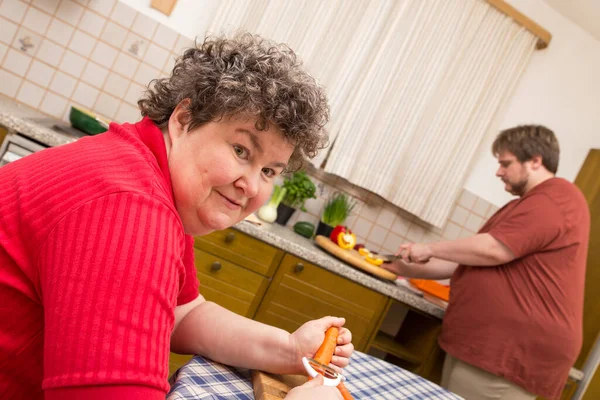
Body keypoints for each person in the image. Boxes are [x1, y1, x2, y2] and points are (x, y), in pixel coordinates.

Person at [0, 33, 352, 400]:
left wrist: (290, 349)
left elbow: (183, 315)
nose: (250, 185)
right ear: (184, 120)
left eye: (269, 172)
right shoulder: (131, 212)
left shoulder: (152, 175)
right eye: (240, 149)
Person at [383, 125, 590, 400]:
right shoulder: (525, 206)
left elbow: (493, 250)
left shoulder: (555, 198)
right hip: (488, 345)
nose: (498, 171)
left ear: (536, 161)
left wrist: (429, 247)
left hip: (512, 350)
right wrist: (403, 268)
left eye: (506, 163)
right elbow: (470, 261)